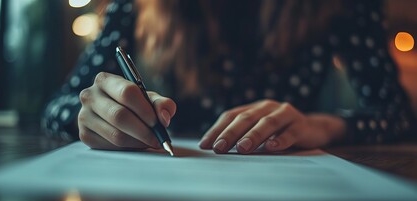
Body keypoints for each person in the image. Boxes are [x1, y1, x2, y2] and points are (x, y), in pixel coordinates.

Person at [42, 0, 415, 154]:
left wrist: (324, 127)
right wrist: (95, 116)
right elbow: (60, 106)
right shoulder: (136, 5)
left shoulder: (345, 5)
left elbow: (398, 115)